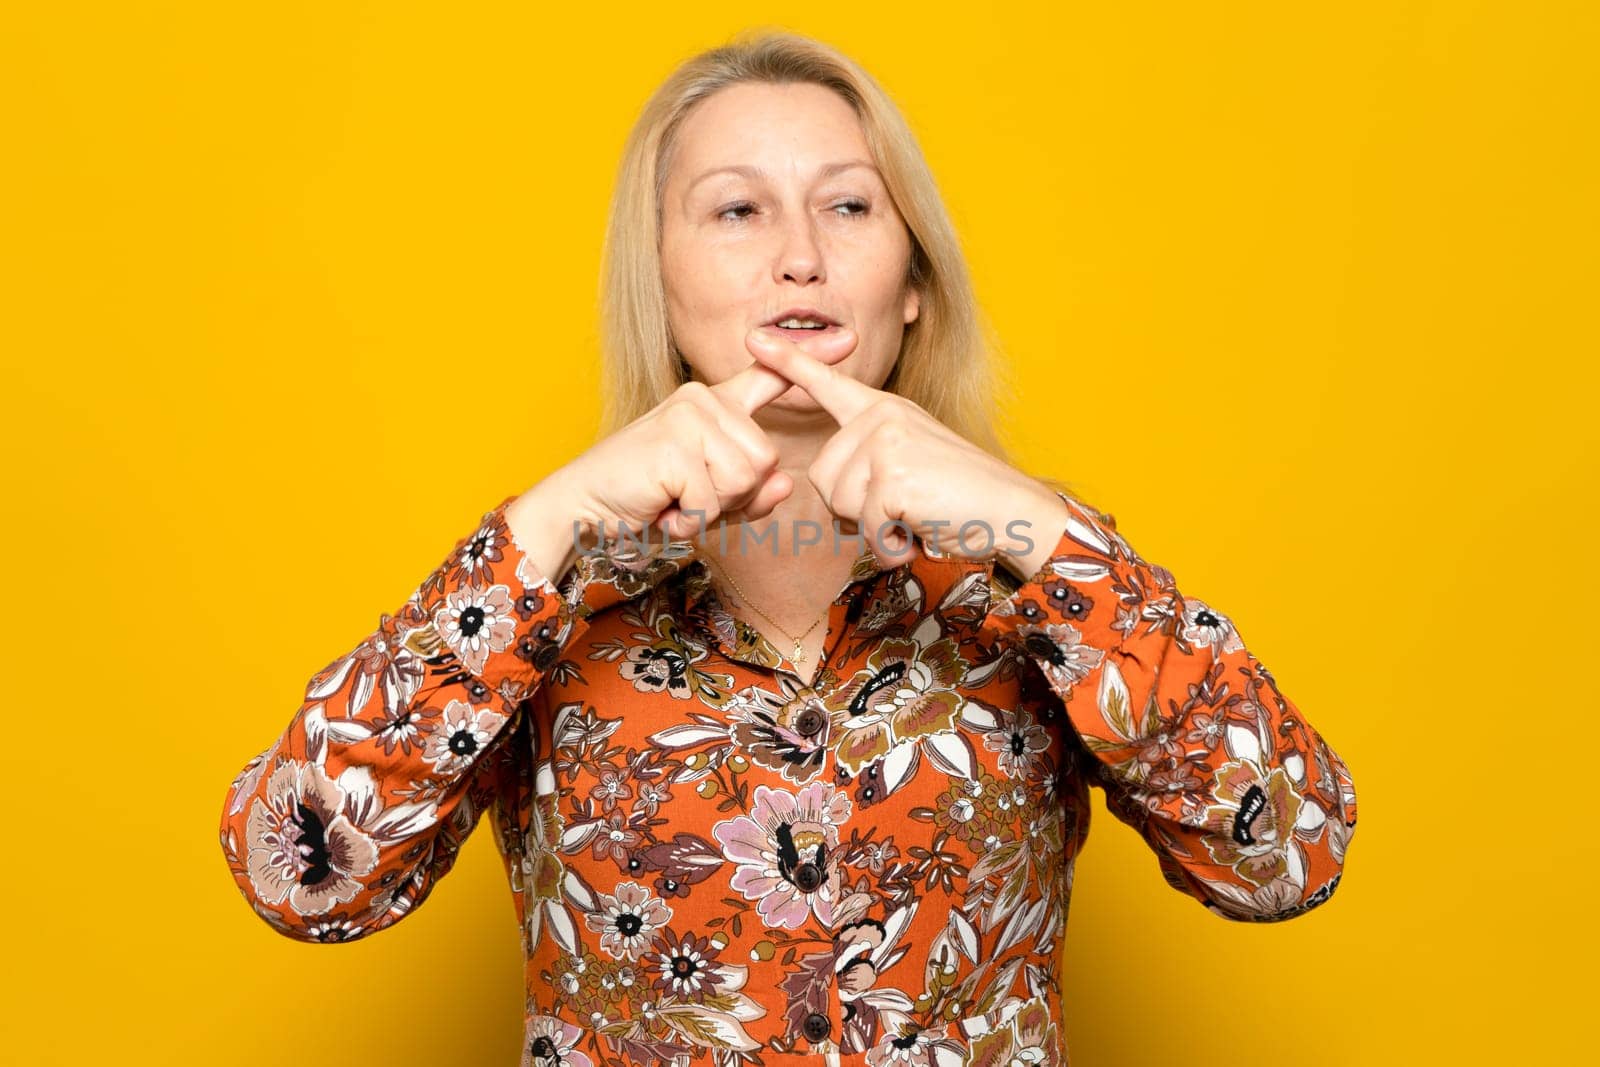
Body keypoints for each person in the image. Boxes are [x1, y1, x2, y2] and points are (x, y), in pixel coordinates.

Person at [217, 29, 1358, 1067]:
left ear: (913, 284)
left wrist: (1032, 524)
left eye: (850, 207)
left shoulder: (1031, 562)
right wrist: (552, 519)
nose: (799, 257)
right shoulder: (545, 578)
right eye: (736, 210)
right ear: (658, 278)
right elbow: (301, 877)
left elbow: (1283, 857)